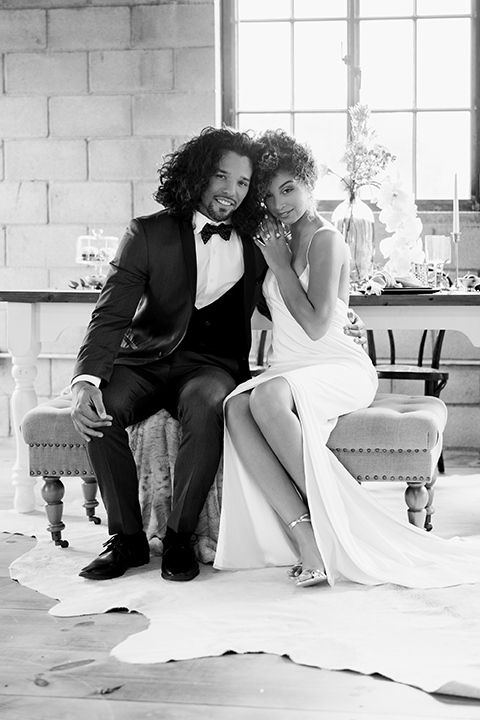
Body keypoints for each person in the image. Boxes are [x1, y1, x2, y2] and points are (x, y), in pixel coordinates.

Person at [70, 125, 368, 584]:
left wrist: (340, 315)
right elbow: (110, 313)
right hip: (145, 361)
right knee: (101, 411)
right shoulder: (148, 233)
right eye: (222, 178)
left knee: (212, 404)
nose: (232, 192)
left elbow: (291, 305)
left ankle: (179, 539)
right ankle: (127, 539)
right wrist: (86, 381)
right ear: (198, 176)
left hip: (209, 367)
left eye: (244, 184)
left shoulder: (258, 241)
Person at [214, 129, 480, 589]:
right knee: (236, 406)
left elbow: (318, 325)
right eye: (270, 195)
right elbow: (273, 310)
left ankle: (327, 529)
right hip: (292, 365)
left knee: (268, 399)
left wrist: (280, 265)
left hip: (337, 364)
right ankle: (306, 531)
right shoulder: (273, 240)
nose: (281, 203)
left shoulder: (325, 239)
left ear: (309, 181)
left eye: (289, 188)